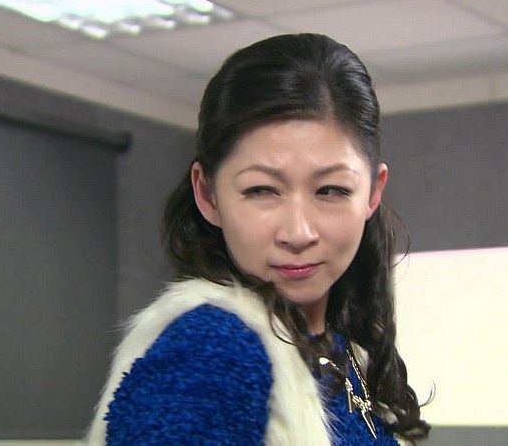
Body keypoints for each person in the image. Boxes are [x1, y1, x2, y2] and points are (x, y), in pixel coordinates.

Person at [86, 33, 430, 445]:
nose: (298, 233)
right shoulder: (213, 351)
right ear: (208, 194)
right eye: (262, 190)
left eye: (331, 190)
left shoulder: (342, 352)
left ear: (373, 192)